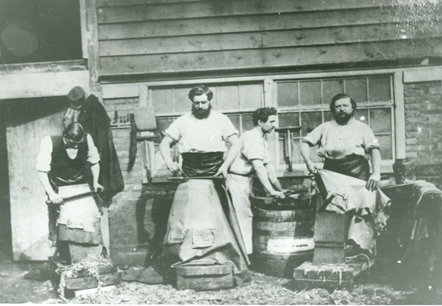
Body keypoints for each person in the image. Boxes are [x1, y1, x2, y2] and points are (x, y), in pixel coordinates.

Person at [152, 85, 250, 286]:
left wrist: (225, 166)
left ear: (209, 101)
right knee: (187, 216)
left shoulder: (220, 119)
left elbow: (236, 144)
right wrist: (169, 161)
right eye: (196, 102)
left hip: (214, 172)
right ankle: (187, 257)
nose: (200, 106)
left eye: (204, 102)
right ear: (192, 102)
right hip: (189, 173)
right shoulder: (183, 121)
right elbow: (164, 143)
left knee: (215, 216)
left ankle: (219, 256)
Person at [37, 123, 103, 263]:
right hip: (59, 188)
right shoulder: (49, 142)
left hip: (82, 187)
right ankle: (66, 259)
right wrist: (52, 194)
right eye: (72, 144)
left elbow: (95, 162)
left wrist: (96, 182)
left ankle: (91, 259)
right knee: (62, 224)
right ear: (65, 136)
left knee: (90, 219)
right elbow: (42, 171)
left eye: (78, 144)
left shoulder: (87, 139)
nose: (75, 148)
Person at [227, 107, 285, 255]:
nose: (274, 125)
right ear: (260, 122)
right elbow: (258, 167)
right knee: (242, 218)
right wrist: (271, 191)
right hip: (237, 180)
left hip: (246, 181)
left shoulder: (261, 139)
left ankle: (248, 255)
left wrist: (280, 189)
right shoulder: (251, 137)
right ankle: (244, 258)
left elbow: (270, 169)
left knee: (247, 217)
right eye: (271, 121)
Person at [301, 93, 381, 189]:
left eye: (345, 105)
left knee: (358, 203)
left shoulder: (363, 128)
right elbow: (304, 143)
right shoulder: (325, 127)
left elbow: (374, 150)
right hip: (331, 173)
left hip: (357, 172)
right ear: (333, 109)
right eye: (338, 106)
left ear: (353, 107)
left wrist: (376, 173)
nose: (342, 109)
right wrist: (308, 162)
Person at [63, 86, 124, 205]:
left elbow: (96, 132)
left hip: (100, 145)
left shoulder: (93, 109)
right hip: (94, 145)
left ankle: (103, 200)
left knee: (101, 171)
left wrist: (94, 149)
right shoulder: (87, 107)